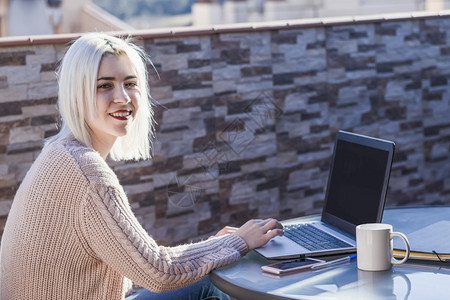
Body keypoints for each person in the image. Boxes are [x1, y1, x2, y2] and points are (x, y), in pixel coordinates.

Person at [0, 33, 283, 300]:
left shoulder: (58, 155)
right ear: (78, 94)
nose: (123, 97)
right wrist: (238, 242)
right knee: (213, 281)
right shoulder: (87, 174)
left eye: (130, 83)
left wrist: (212, 247)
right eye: (104, 85)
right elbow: (159, 273)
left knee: (210, 269)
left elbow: (137, 262)